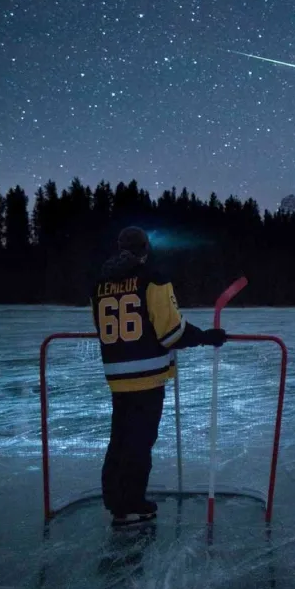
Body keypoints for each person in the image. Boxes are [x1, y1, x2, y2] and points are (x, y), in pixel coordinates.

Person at [91, 225, 226, 527]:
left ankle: (116, 502)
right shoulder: (153, 279)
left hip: (117, 375)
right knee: (139, 442)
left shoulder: (100, 283)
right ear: (145, 250)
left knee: (121, 440)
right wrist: (205, 336)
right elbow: (171, 333)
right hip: (147, 375)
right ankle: (131, 504)